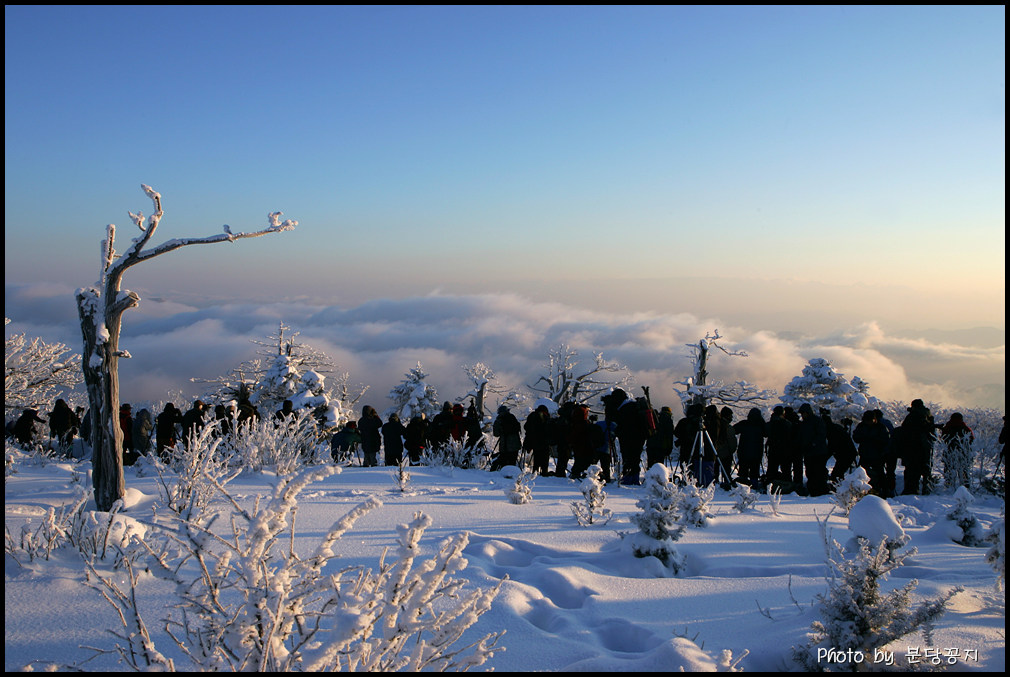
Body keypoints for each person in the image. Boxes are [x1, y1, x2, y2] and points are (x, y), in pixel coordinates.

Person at [898, 399, 937, 495]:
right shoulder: (929, 415)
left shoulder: (913, 416)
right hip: (925, 446)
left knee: (911, 470)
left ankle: (911, 490)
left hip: (912, 446)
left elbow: (905, 430)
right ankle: (926, 489)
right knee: (925, 468)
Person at [853, 410, 889, 495]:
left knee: (880, 474)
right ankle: (860, 492)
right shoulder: (861, 426)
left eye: (871, 420)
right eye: (867, 420)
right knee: (861, 474)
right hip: (864, 454)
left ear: (875, 419)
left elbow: (886, 440)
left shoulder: (881, 427)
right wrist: (864, 438)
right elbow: (856, 437)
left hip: (877, 455)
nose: (869, 422)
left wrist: (875, 441)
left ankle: (884, 492)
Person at [797, 403, 830, 496]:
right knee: (810, 472)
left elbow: (821, 435)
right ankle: (813, 490)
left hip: (819, 452)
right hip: (809, 453)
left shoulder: (817, 421)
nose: (802, 415)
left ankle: (821, 490)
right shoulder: (804, 423)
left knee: (819, 472)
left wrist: (813, 444)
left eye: (803, 413)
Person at [940, 412, 974, 488]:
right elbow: (971, 439)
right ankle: (966, 485)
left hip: (949, 451)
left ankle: (948, 484)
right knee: (964, 469)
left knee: (949, 468)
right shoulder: (965, 428)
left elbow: (943, 438)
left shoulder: (947, 427)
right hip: (963, 452)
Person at [734, 408, 766, 487]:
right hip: (756, 452)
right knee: (754, 471)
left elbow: (734, 430)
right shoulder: (761, 425)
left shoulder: (744, 424)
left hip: (744, 452)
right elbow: (767, 433)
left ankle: (743, 486)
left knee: (743, 470)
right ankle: (754, 485)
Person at [490, 405, 522, 471]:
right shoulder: (513, 418)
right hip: (515, 445)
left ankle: (504, 476)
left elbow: (496, 434)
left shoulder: (499, 420)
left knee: (504, 464)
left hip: (505, 446)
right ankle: (512, 476)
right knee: (512, 462)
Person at [523, 405, 553, 475]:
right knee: (545, 456)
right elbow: (548, 428)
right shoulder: (544, 416)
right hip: (544, 440)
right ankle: (544, 471)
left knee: (536, 456)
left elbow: (526, 427)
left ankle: (535, 471)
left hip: (534, 440)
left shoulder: (532, 416)